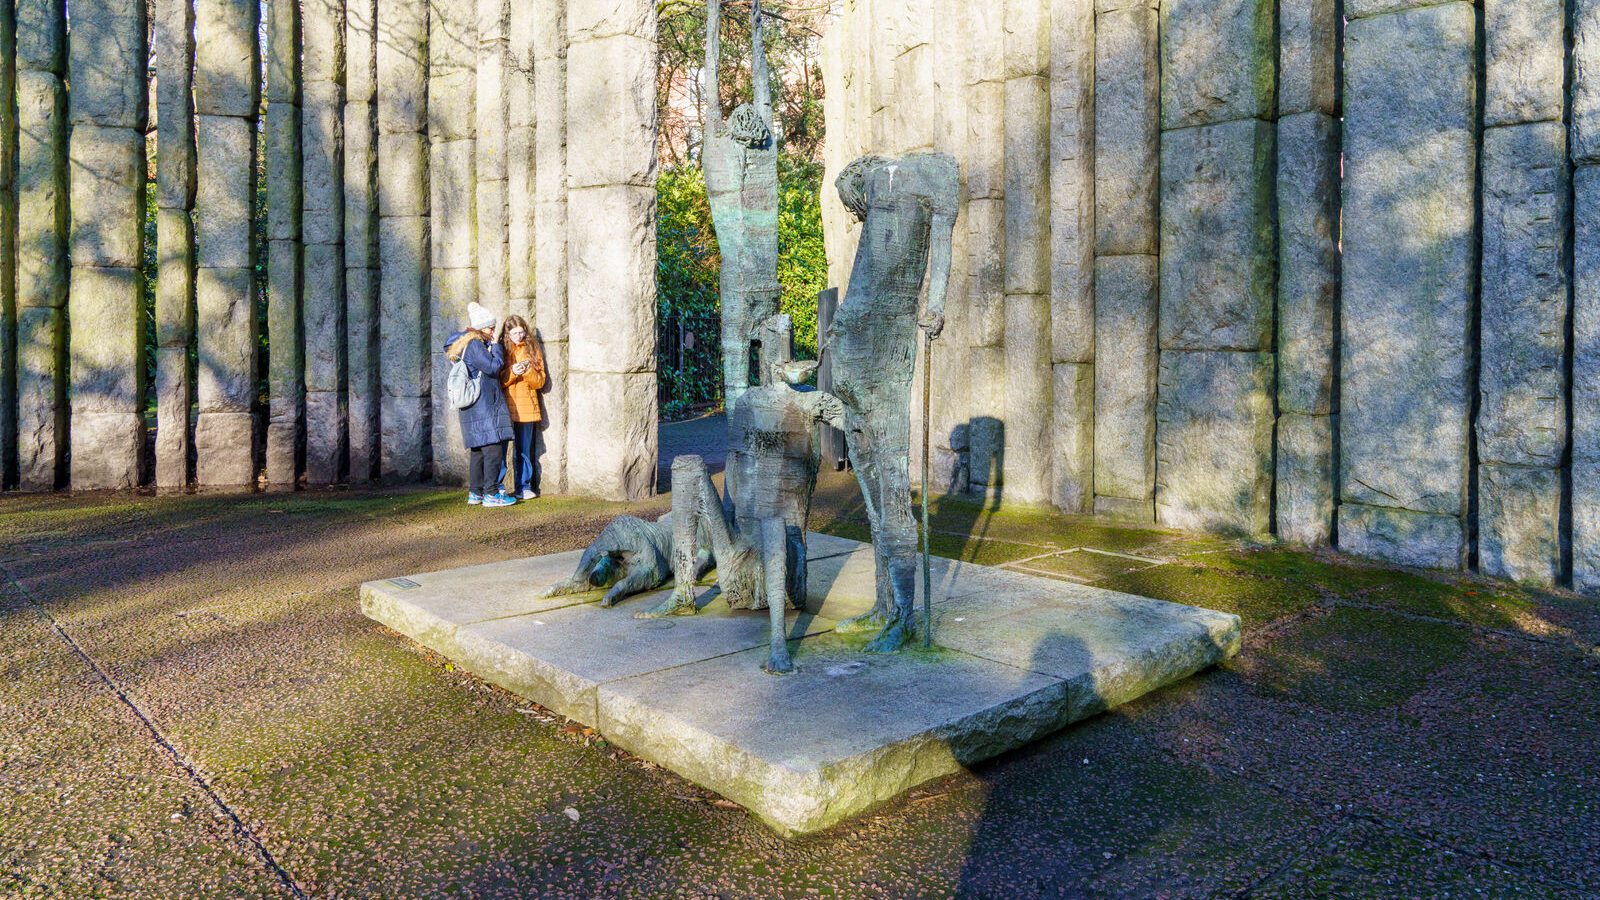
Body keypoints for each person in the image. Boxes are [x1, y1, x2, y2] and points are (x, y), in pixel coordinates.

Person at [828, 152, 959, 653]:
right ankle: (886, 604)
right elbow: (852, 184)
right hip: (851, 335)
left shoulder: (937, 176)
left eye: (854, 200)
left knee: (891, 477)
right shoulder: (874, 178)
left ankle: (904, 614)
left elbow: (941, 245)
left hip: (887, 336)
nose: (856, 207)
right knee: (868, 475)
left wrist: (937, 304)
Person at [443, 302, 517, 508]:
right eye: (490, 327)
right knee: (493, 450)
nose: (493, 331)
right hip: (483, 406)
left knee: (478, 451)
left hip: (473, 407)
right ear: (479, 327)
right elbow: (493, 367)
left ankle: (475, 493)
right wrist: (496, 348)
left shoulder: (466, 344)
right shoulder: (476, 344)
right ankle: (491, 494)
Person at [498, 315, 546, 500]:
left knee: (524, 450)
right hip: (505, 404)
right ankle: (498, 486)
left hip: (526, 405)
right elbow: (496, 379)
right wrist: (511, 373)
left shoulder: (532, 348)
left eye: (521, 332)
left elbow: (540, 381)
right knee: (500, 450)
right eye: (514, 333)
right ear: (507, 334)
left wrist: (527, 371)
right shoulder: (501, 348)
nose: (519, 336)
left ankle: (523, 486)